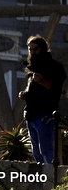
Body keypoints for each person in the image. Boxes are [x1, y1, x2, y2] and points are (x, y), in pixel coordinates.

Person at [18, 35, 66, 164]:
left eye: (36, 49)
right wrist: (25, 95)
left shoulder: (54, 67)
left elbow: (55, 88)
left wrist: (41, 81)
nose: (33, 53)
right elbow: (34, 92)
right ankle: (43, 180)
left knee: (46, 151)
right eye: (30, 50)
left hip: (44, 115)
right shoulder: (32, 68)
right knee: (36, 153)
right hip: (31, 115)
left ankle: (51, 180)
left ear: (43, 49)